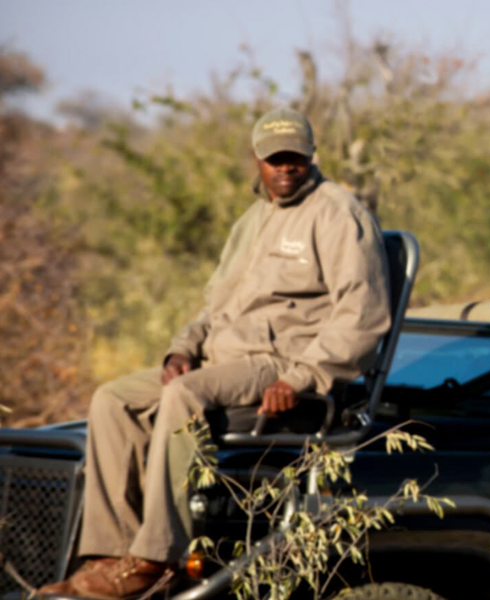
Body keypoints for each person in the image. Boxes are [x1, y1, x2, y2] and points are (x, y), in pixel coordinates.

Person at [41, 108, 392, 598]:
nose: (286, 167)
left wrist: (302, 378)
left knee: (184, 396)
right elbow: (214, 305)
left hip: (276, 364)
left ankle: (159, 557)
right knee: (112, 399)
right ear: (258, 160)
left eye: (295, 157)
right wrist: (182, 348)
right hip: (221, 361)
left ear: (312, 156)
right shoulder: (251, 221)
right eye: (275, 159)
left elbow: (362, 316)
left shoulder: (339, 214)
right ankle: (111, 555)